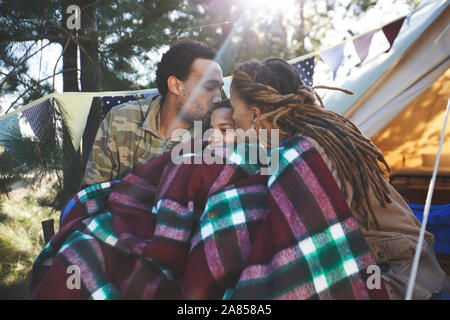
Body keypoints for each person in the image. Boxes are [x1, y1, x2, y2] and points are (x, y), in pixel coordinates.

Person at [229, 57, 447, 299]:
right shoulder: (324, 134)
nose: (232, 120)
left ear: (255, 115)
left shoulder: (299, 155)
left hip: (395, 277)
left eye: (234, 111)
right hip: (419, 266)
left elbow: (299, 251)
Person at [81, 40, 224, 186]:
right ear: (176, 86)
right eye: (209, 87)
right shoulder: (121, 120)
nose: (219, 98)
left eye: (220, 88)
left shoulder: (216, 134)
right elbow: (91, 195)